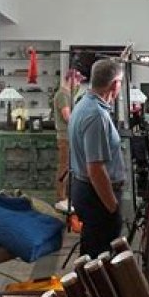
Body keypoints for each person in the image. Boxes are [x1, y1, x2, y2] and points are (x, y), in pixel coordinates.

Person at [68, 59, 125, 258]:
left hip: (87, 190)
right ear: (115, 85)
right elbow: (96, 169)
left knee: (91, 252)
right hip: (96, 196)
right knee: (99, 257)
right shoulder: (96, 115)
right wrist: (113, 208)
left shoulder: (83, 104)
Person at [53, 68, 85, 202]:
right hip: (65, 137)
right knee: (64, 167)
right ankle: (61, 197)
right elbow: (67, 117)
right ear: (71, 79)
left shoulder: (68, 94)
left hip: (69, 136)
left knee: (68, 167)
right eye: (77, 80)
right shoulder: (62, 95)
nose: (79, 83)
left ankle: (66, 195)